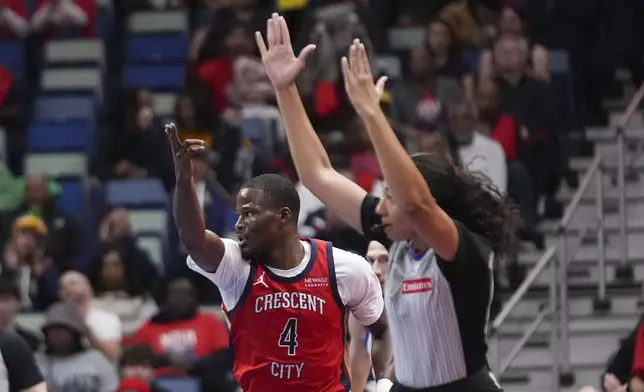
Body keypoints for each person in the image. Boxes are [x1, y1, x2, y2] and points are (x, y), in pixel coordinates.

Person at [258, 13, 518, 391]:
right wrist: (285, 89)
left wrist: (371, 112)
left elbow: (416, 205)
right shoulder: (398, 235)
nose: (380, 207)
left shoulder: (463, 252)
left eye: (389, 198)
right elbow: (318, 173)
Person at [166, 111, 386, 392]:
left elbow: (383, 330)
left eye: (249, 214)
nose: (239, 224)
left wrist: (384, 383)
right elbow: (194, 239)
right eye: (238, 215)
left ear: (283, 216)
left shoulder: (345, 267)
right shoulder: (236, 265)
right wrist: (185, 181)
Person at [349, 241, 392, 392]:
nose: (376, 270)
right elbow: (359, 362)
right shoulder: (361, 304)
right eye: (371, 260)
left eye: (385, 260)